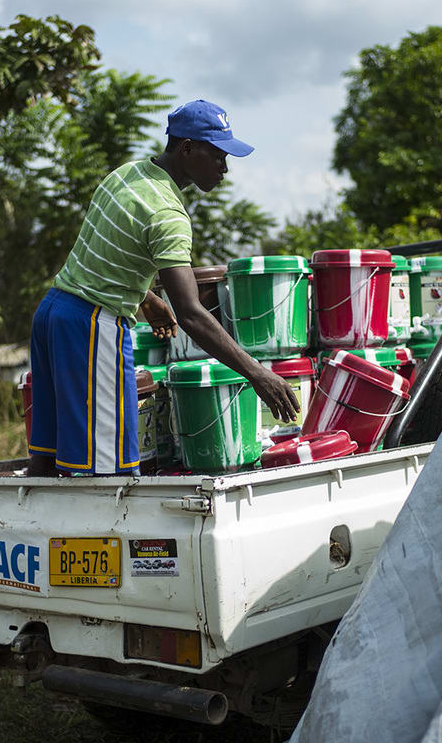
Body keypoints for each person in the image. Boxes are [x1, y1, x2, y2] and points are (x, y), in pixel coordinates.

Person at [27, 99, 298, 476]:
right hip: (91, 328)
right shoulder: (169, 214)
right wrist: (257, 373)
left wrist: (147, 298)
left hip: (52, 313)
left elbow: (106, 252)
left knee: (46, 460)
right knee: (109, 475)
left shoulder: (127, 174)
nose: (224, 167)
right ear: (186, 148)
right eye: (217, 155)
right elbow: (191, 314)